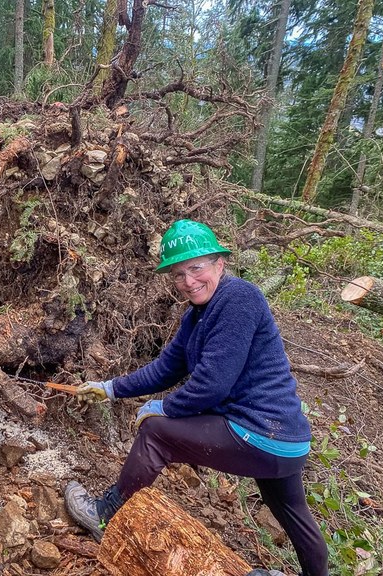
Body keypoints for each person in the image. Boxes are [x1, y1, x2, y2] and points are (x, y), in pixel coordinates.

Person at [64, 220, 329, 576]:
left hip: (261, 432)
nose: (188, 281)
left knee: (157, 431)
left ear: (220, 263)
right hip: (287, 443)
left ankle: (104, 514)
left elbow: (212, 385)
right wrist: (110, 388)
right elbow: (166, 369)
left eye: (196, 268)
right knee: (288, 507)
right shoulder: (198, 315)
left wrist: (163, 407)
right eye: (178, 274)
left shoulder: (239, 298)